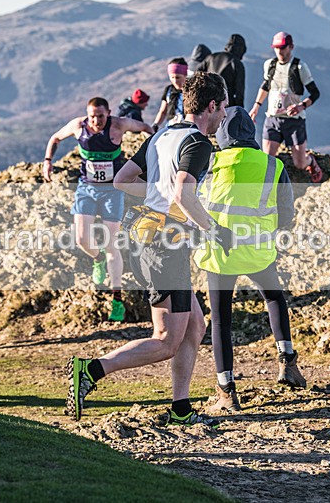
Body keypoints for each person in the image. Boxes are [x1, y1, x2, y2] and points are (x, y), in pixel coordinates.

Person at [66, 72, 232, 427]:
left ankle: (180, 408)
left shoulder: (164, 135)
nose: (224, 115)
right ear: (213, 105)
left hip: (154, 241)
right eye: (224, 107)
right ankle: (92, 370)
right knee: (166, 339)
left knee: (194, 327)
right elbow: (185, 193)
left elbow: (122, 180)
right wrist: (213, 229)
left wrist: (160, 194)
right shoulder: (198, 143)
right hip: (164, 248)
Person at [194, 106, 306, 414]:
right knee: (274, 299)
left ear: (222, 133)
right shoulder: (272, 165)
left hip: (220, 255)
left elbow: (195, 206)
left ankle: (227, 391)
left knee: (220, 321)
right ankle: (288, 364)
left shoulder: (211, 162)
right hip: (258, 252)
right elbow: (286, 215)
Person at [44, 97, 153, 322]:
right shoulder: (78, 126)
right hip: (86, 189)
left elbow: (144, 128)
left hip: (112, 191)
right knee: (82, 240)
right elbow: (55, 138)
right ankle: (97, 258)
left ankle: (117, 300)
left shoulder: (119, 125)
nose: (96, 121)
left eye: (101, 116)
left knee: (112, 244)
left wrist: (153, 152)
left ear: (108, 113)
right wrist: (48, 160)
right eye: (92, 116)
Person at [249, 31, 323, 183]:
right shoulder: (269, 65)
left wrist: (301, 106)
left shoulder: (300, 67)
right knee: (267, 161)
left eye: (283, 47)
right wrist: (256, 107)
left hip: (294, 120)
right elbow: (265, 86)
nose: (279, 51)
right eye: (276, 47)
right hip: (273, 118)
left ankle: (310, 161)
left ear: (291, 47)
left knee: (300, 164)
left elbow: (315, 93)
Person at [198, 34, 247, 107]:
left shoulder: (211, 57)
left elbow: (197, 76)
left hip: (207, 102)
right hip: (226, 105)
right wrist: (240, 110)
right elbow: (239, 92)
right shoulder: (237, 63)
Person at [152, 58, 188, 132]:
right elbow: (163, 111)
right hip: (171, 127)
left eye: (178, 77)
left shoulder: (191, 91)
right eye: (172, 77)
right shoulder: (169, 90)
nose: (175, 81)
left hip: (188, 127)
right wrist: (155, 124)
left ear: (185, 75)